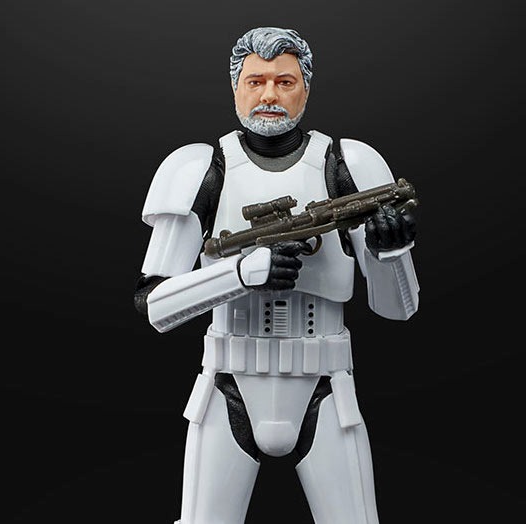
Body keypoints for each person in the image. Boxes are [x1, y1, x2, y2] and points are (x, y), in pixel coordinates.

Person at [135, 26, 420, 524]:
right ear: (236, 87)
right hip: (228, 386)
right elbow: (154, 304)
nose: (269, 95)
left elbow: (399, 310)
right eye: (256, 81)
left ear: (306, 88)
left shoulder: (346, 166)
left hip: (325, 387)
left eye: (285, 81)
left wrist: (391, 251)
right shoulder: (202, 169)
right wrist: (241, 274)